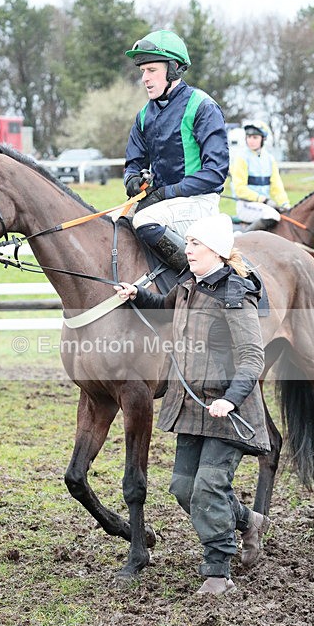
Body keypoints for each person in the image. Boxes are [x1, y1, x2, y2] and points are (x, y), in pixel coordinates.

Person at [114, 214, 271, 594]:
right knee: (184, 487)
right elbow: (165, 309)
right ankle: (249, 521)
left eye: (195, 244)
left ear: (216, 250)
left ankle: (218, 570)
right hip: (190, 407)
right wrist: (138, 296)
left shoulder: (235, 294)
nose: (187, 249)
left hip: (229, 411)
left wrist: (231, 401)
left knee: (208, 487)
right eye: (188, 243)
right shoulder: (187, 285)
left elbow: (252, 357)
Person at [123, 30, 230, 273]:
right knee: (116, 223)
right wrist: (132, 180)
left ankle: (195, 282)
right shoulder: (143, 116)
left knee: (144, 221)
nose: (145, 79)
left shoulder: (202, 107)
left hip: (199, 202)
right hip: (162, 204)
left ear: (173, 69)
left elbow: (215, 173)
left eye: (152, 71)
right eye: (142, 72)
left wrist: (165, 193)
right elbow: (133, 163)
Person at [231, 121, 291, 232]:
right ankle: (242, 238)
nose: (251, 141)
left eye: (255, 137)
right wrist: (263, 199)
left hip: (263, 205)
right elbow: (239, 189)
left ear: (263, 139)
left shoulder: (269, 159)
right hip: (246, 206)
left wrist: (285, 204)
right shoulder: (241, 158)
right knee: (271, 215)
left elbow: (276, 187)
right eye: (249, 137)